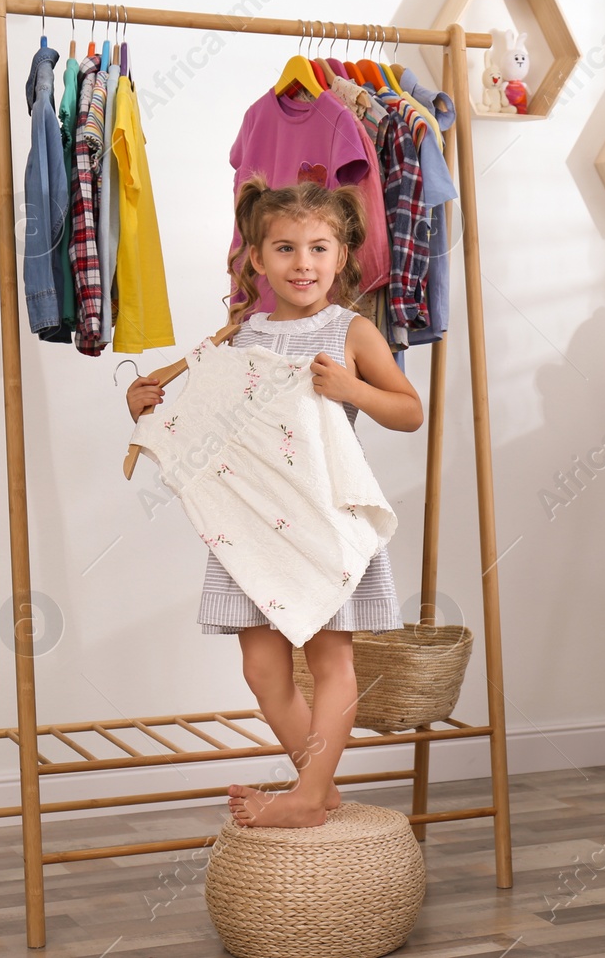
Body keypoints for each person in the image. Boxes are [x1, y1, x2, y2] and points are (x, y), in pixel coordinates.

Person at [125, 173, 423, 828]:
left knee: (330, 659)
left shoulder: (351, 331)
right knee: (261, 666)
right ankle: (319, 787)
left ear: (341, 256)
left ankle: (308, 796)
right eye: (284, 248)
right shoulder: (237, 339)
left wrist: (352, 389)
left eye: (319, 247)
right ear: (256, 257)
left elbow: (409, 411)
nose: (303, 262)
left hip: (326, 517)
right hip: (255, 523)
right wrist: (144, 406)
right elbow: (202, 415)